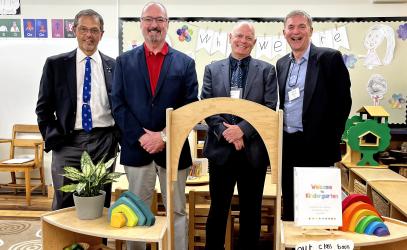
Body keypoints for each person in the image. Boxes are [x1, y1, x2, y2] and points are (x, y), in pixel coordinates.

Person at [111, 2, 198, 250]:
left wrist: (164, 137)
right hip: (137, 150)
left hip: (174, 151)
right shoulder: (124, 62)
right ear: (141, 24)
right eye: (148, 20)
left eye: (159, 20)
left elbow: (189, 107)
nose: (154, 25)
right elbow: (118, 105)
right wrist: (142, 136)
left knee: (177, 211)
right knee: (135, 210)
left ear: (167, 24)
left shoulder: (185, 63)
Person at [201, 21, 278, 250]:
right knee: (218, 209)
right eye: (239, 36)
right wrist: (227, 133)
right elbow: (206, 106)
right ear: (230, 38)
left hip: (253, 152)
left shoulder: (266, 70)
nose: (243, 41)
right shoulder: (212, 69)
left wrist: (242, 130)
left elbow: (269, 107)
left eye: (248, 38)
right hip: (220, 152)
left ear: (254, 42)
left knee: (251, 210)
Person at [36, 9, 119, 210]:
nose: (89, 35)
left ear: (101, 34)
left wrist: (116, 137)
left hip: (103, 143)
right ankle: (66, 243)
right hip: (67, 143)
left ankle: (97, 242)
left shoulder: (115, 66)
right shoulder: (55, 64)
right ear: (74, 30)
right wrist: (53, 136)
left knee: (100, 202)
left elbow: (121, 106)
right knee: (65, 204)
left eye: (94, 30)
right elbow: (43, 108)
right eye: (83, 29)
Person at [276, 10, 352, 221]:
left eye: (301, 26)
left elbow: (343, 103)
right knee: (290, 205)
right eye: (291, 27)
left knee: (317, 209)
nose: (296, 32)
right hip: (288, 145)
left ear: (311, 30)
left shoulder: (329, 58)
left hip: (318, 147)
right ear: (284, 33)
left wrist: (330, 141)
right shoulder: (281, 64)